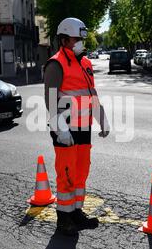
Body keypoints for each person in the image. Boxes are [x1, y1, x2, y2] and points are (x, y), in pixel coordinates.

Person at [44, 18, 110, 236]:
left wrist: (102, 118)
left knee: (81, 172)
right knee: (66, 173)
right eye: (76, 39)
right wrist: (60, 128)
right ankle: (63, 218)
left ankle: (76, 212)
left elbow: (92, 95)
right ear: (64, 40)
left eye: (81, 39)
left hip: (83, 128)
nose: (80, 42)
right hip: (65, 130)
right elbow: (50, 100)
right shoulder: (56, 64)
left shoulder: (86, 64)